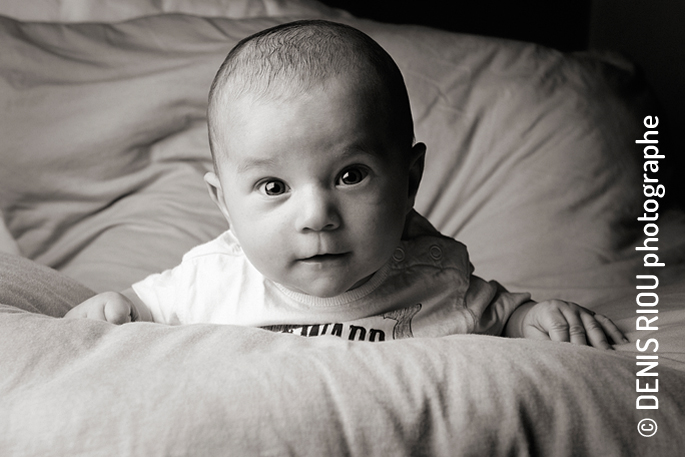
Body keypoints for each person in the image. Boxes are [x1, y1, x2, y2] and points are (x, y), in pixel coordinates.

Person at [65, 19, 627, 348]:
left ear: (409, 181)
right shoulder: (211, 281)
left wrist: (535, 319)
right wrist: (114, 307)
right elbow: (140, 306)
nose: (316, 215)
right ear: (224, 203)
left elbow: (500, 312)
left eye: (350, 175)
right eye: (272, 187)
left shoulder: (436, 275)